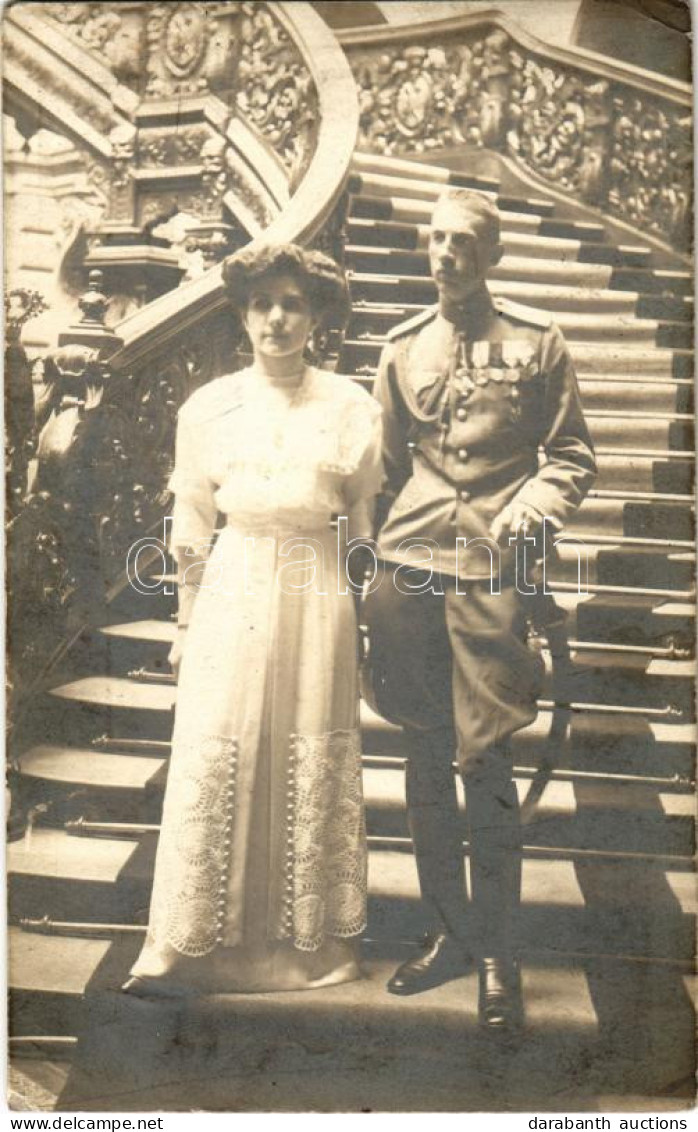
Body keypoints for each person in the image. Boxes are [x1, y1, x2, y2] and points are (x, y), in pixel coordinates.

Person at [363, 188, 596, 1030]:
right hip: (409, 566)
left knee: (485, 764)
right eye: (435, 238)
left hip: (496, 570)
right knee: (422, 757)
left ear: (491, 254)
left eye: (463, 241)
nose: (444, 253)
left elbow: (570, 454)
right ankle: (449, 934)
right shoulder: (401, 348)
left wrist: (535, 503)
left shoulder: (538, 341)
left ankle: (500, 952)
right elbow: (384, 469)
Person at [124, 244, 382, 996]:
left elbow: (360, 525)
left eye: (293, 303)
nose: (276, 318)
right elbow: (193, 525)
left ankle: (311, 947)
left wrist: (365, 621)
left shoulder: (351, 406)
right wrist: (183, 622)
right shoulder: (208, 406)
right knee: (222, 740)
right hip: (234, 581)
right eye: (263, 303)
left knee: (307, 740)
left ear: (316, 317)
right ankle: (197, 945)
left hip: (318, 586)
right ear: (242, 314)